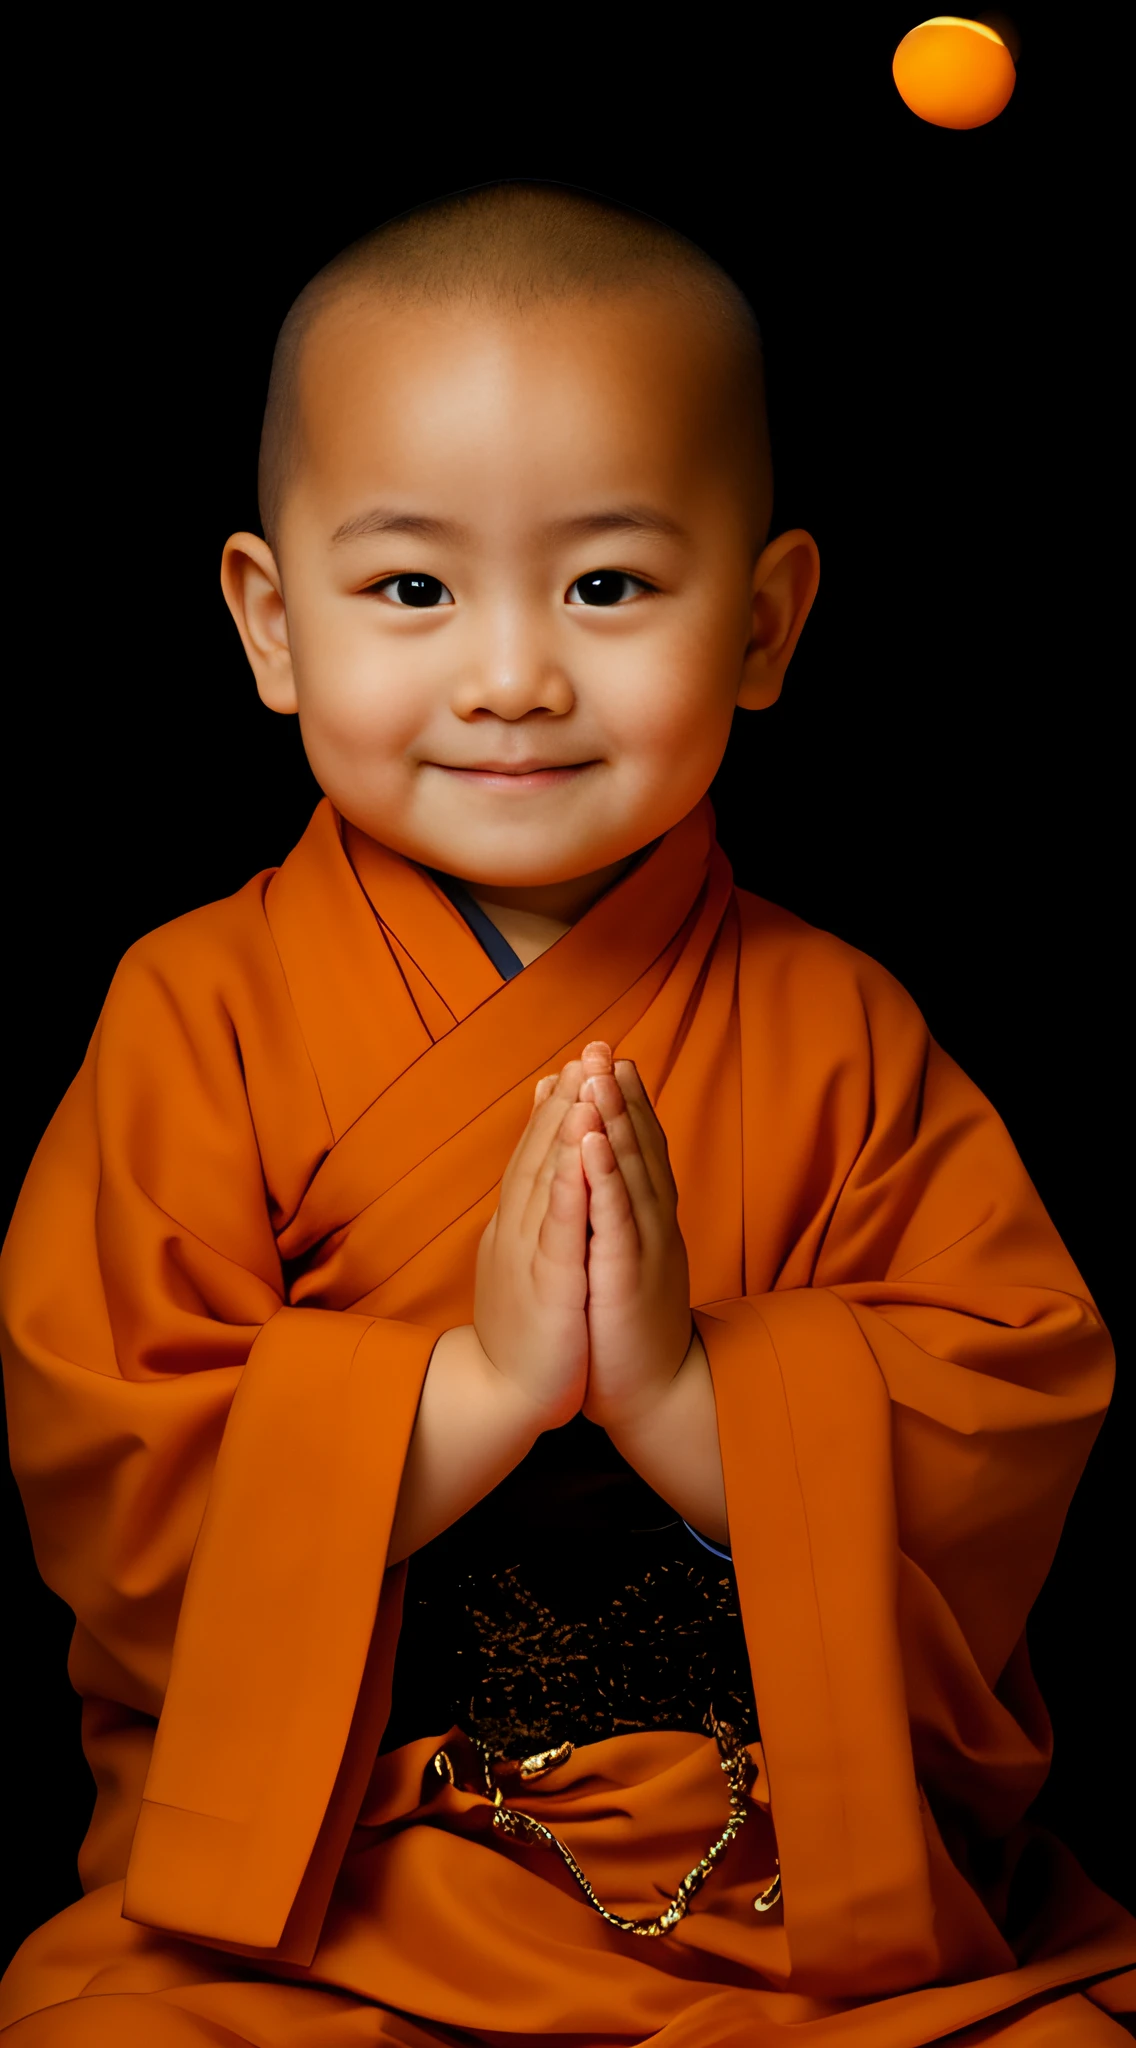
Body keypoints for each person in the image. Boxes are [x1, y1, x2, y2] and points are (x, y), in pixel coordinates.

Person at [1, 182, 1132, 2045]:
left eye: (607, 584)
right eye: (413, 588)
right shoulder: (196, 1010)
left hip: (766, 1878)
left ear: (765, 626)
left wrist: (694, 1396)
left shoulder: (840, 1027)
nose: (515, 674)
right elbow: (113, 1473)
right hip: (333, 1874)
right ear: (272, 624)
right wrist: (474, 1397)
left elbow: (1012, 1408)